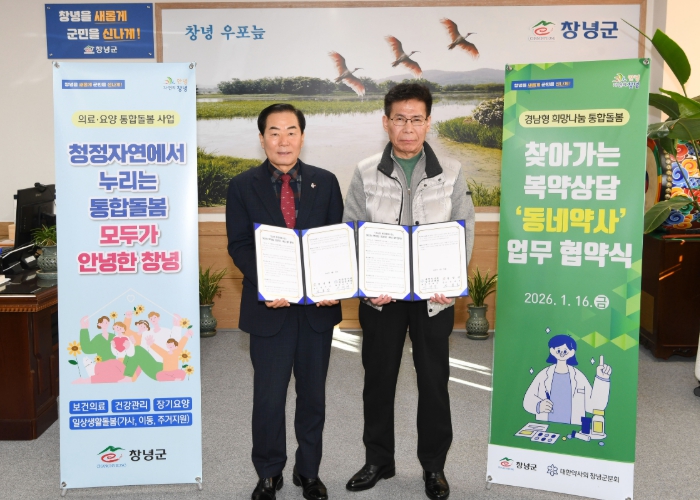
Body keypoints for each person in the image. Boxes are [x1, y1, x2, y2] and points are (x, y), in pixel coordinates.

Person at [342, 83, 475, 500]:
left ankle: (433, 467)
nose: (408, 128)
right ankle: (378, 461)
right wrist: (366, 286)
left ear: (428, 122)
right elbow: (351, 230)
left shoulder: (451, 170)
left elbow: (464, 228)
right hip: (381, 299)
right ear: (386, 122)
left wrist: (451, 282)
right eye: (399, 119)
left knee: (434, 382)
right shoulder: (366, 171)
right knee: (378, 380)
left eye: (416, 119)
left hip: (434, 300)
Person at [226, 103, 343, 500]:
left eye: (291, 131)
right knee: (269, 398)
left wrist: (333, 283)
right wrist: (268, 283)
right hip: (269, 310)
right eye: (274, 132)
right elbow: (239, 245)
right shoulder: (242, 186)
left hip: (316, 312)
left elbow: (335, 242)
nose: (283, 140)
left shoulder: (326, 182)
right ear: (262, 139)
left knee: (313, 398)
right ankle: (269, 472)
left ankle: (308, 472)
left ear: (302, 137)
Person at [523, 335, 611, 425]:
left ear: (572, 352)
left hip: (572, 429)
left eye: (565, 351)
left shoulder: (579, 377)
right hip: (546, 427)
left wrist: (602, 378)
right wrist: (539, 406)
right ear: (552, 351)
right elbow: (527, 401)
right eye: (558, 350)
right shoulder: (543, 375)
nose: (562, 353)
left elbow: (595, 406)